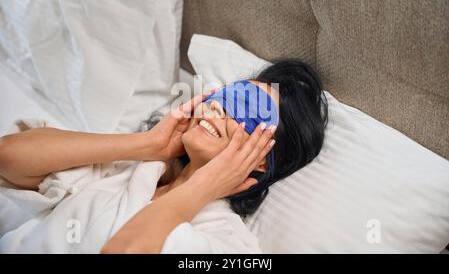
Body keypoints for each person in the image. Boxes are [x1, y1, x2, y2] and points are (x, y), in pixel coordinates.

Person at [0, 59, 328, 253]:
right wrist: (146, 145)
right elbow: (9, 156)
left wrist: (206, 184)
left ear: (260, 160)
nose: (218, 107)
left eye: (248, 111)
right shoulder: (130, 170)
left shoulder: (229, 245)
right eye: (228, 95)